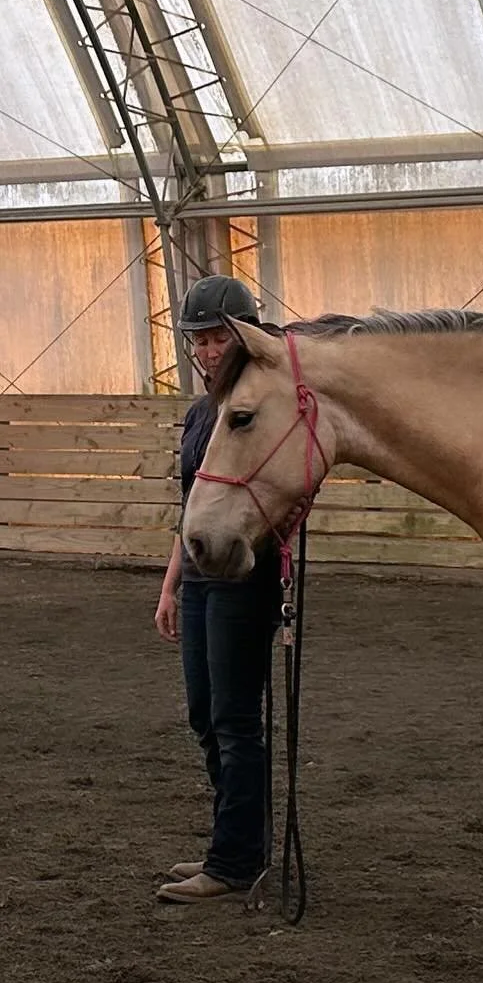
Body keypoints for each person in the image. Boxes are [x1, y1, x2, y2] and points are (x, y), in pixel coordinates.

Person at [153, 275, 281, 904]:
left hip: (242, 580)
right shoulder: (201, 413)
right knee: (206, 717)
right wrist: (172, 586)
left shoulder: (259, 407)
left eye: (213, 339)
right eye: (197, 340)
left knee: (234, 721)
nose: (204, 351)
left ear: (240, 337)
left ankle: (233, 861)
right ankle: (237, 844)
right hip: (202, 582)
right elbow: (193, 509)